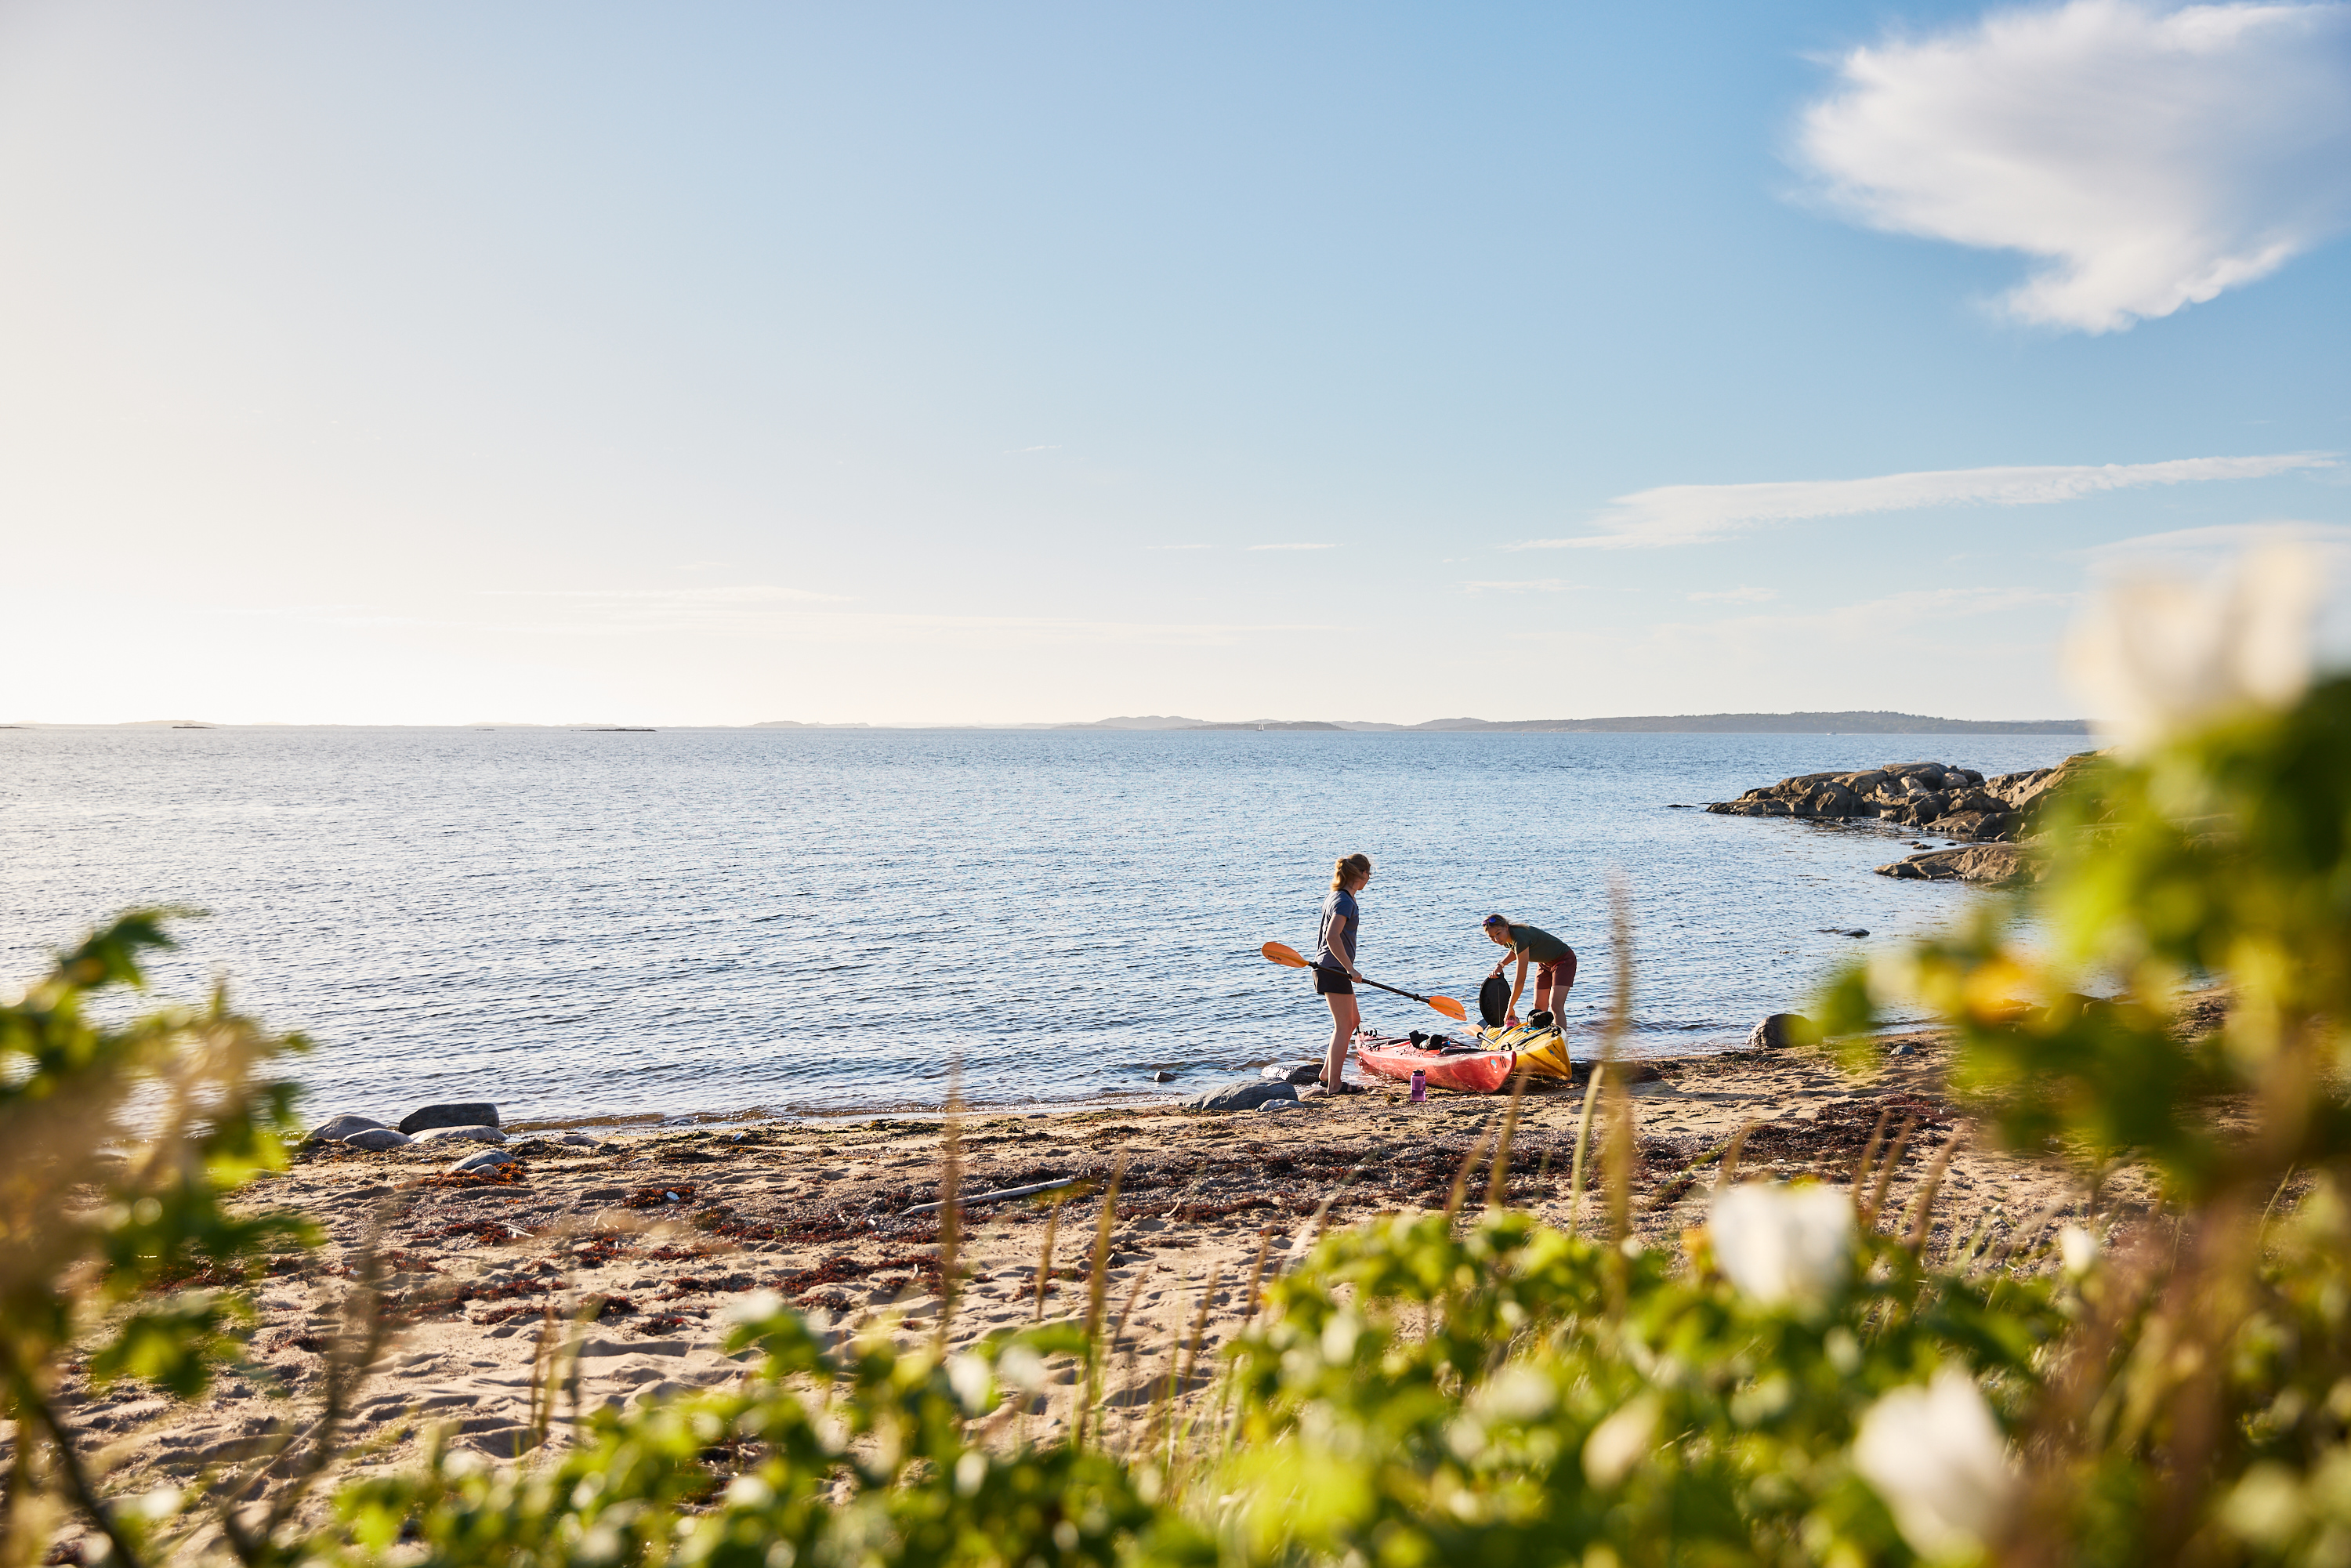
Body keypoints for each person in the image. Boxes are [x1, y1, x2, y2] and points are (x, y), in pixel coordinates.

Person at [1310, 853, 1373, 1093]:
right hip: (1333, 969)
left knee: (1352, 1022)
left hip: (1332, 969)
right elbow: (1332, 936)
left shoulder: (1338, 896)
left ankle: (1327, 1075)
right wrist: (1350, 968)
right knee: (1344, 1026)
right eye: (1369, 875)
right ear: (1361, 875)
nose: (1369, 879)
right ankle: (1335, 1085)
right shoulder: (1345, 901)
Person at [1481, 914, 1576, 1028]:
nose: (1496, 939)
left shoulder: (1520, 937)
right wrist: (1501, 964)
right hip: (1544, 963)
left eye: (1498, 933)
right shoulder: (1507, 938)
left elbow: (1520, 980)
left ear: (1506, 927)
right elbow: (1515, 950)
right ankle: (1542, 1039)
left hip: (1563, 960)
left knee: (1555, 1005)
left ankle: (1561, 1040)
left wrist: (1510, 1007)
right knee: (1538, 1007)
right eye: (1491, 937)